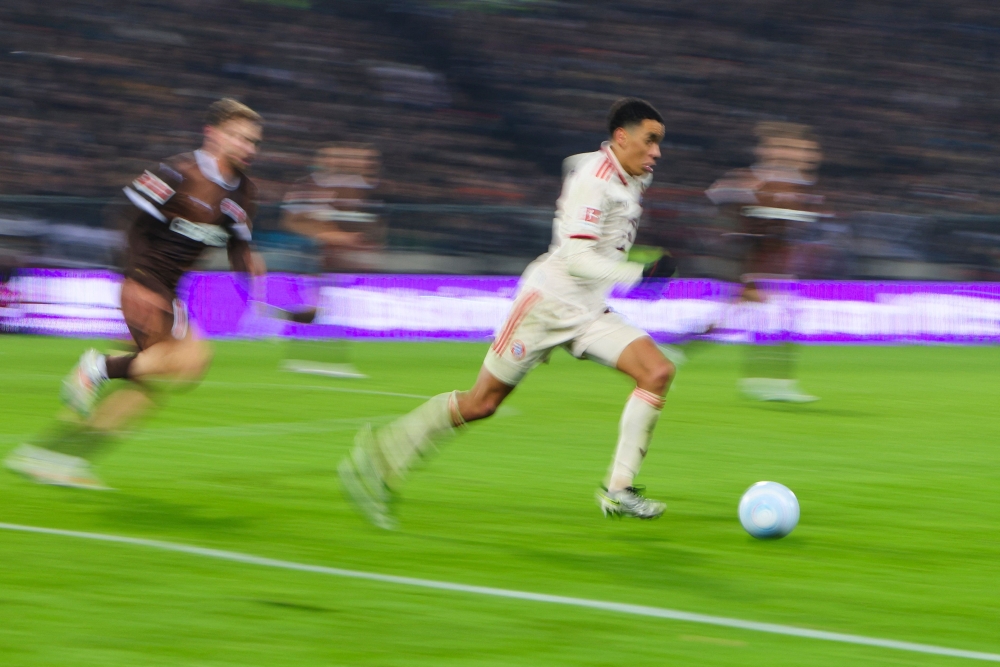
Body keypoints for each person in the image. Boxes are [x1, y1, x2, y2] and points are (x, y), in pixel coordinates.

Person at [339, 98, 677, 529]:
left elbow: (588, 195)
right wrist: (637, 272)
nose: (657, 152)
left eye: (659, 143)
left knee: (656, 372)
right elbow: (574, 256)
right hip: (548, 303)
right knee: (481, 403)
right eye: (650, 141)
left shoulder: (626, 176)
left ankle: (618, 490)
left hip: (589, 309)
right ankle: (378, 458)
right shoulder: (596, 180)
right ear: (621, 137)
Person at [5, 98, 265, 489]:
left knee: (149, 387)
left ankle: (52, 456)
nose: (248, 147)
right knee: (193, 359)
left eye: (253, 141)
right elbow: (125, 221)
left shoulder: (243, 192)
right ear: (212, 134)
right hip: (143, 284)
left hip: (169, 291)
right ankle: (97, 368)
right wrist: (135, 281)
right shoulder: (178, 173)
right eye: (239, 137)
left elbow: (237, 244)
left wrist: (249, 268)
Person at [706, 122, 823, 402]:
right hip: (757, 269)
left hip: (776, 269)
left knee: (742, 321)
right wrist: (747, 275)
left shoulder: (798, 186)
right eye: (803, 151)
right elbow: (730, 215)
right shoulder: (758, 181)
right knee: (775, 323)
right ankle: (773, 383)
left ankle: (764, 381)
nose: (809, 156)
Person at [276, 143, 384, 378]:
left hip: (327, 257)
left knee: (323, 308)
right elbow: (295, 221)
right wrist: (333, 236)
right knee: (317, 308)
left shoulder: (341, 188)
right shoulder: (308, 186)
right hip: (305, 254)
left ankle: (312, 356)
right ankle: (312, 356)